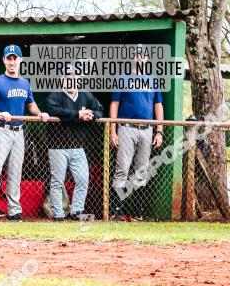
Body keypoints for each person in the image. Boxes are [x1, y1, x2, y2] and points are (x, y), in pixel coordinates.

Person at [0, 44, 50, 220]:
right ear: (3, 60)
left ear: (20, 60)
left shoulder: (25, 83)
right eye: (8, 58)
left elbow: (31, 104)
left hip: (19, 131)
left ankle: (14, 210)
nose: (11, 62)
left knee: (15, 172)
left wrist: (40, 114)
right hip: (0, 130)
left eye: (14, 58)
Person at [109, 47, 164, 220]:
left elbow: (158, 106)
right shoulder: (123, 77)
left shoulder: (153, 79)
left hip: (147, 129)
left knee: (142, 170)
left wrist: (159, 131)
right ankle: (116, 211)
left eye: (143, 55)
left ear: (147, 58)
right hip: (126, 127)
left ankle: (138, 213)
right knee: (122, 169)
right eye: (137, 54)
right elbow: (114, 104)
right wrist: (113, 130)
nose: (140, 57)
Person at [45, 64, 103, 220]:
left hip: (78, 146)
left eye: (74, 78)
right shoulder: (55, 95)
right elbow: (53, 110)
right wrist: (78, 114)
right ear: (62, 80)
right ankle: (58, 214)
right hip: (58, 147)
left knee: (83, 179)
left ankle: (76, 211)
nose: (70, 81)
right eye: (67, 78)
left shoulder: (86, 95)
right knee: (57, 182)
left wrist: (92, 115)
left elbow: (99, 109)